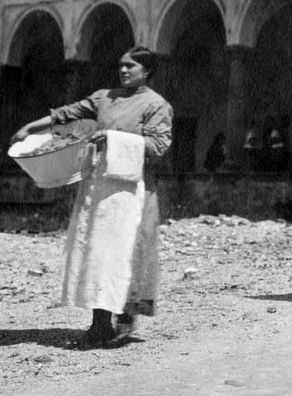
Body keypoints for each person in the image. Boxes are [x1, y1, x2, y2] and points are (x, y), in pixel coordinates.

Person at [12, 46, 173, 347]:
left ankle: (124, 320)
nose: (123, 71)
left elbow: (159, 147)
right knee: (98, 253)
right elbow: (67, 114)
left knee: (125, 254)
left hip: (132, 190)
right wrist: (29, 128)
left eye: (131, 66)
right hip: (100, 188)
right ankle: (100, 325)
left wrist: (113, 138)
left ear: (147, 71)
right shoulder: (105, 97)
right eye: (121, 66)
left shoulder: (157, 105)